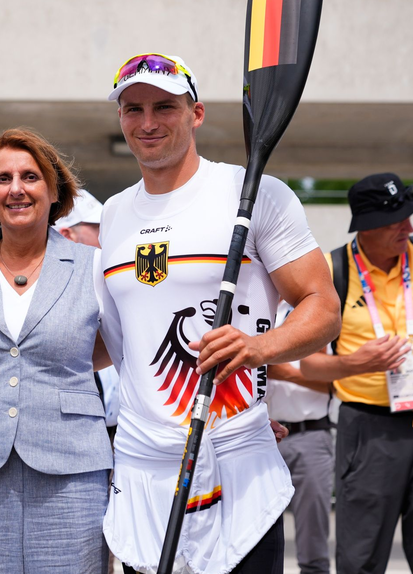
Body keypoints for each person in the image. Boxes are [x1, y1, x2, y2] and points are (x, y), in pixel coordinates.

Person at [97, 53, 341, 574]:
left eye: (165, 106)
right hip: (145, 470)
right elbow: (118, 345)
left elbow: (323, 307)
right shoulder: (113, 215)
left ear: (197, 113)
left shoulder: (253, 194)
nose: (147, 122)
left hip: (238, 462)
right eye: (132, 108)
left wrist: (258, 349)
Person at [0, 128, 113, 573]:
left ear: (54, 191)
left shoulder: (94, 265)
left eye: (30, 177)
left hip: (73, 468)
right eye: (3, 178)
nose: (16, 189)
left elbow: (128, 351)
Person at [291, 172, 413, 574]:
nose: (408, 226)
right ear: (366, 224)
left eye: (408, 215)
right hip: (369, 428)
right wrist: (355, 363)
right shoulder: (331, 270)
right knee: (360, 558)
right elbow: (309, 363)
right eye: (396, 219)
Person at [266, 301, 334, 574]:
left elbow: (344, 381)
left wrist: (287, 374)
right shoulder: (256, 307)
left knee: (312, 541)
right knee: (253, 534)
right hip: (259, 436)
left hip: (310, 435)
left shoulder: (321, 312)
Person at [55, 189, 120, 433]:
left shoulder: (111, 285)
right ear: (67, 235)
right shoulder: (51, 303)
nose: (108, 237)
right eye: (98, 229)